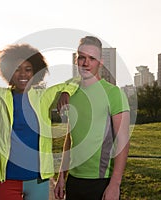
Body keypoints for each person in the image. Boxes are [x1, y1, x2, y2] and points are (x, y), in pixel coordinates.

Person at [0, 43, 77, 200]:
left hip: (37, 179)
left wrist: (65, 92)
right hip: (7, 178)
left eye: (28, 69)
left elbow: (76, 80)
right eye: (17, 69)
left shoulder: (44, 97)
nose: (23, 74)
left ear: (35, 72)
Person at [54, 36, 130, 200]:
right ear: (76, 60)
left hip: (101, 182)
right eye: (81, 57)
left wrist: (115, 184)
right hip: (74, 181)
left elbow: (122, 140)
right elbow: (70, 138)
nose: (86, 63)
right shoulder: (72, 95)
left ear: (100, 62)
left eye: (92, 58)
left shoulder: (113, 93)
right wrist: (62, 176)